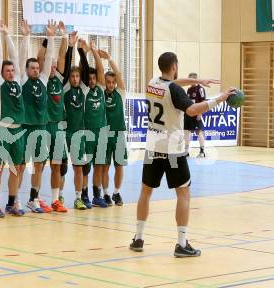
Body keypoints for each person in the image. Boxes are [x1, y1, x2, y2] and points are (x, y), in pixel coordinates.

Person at [129, 52, 236, 257]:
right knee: (183, 193)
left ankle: (138, 238)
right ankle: (181, 243)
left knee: (146, 191)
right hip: (173, 151)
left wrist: (197, 80)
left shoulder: (153, 83)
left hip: (152, 148)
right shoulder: (175, 91)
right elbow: (193, 110)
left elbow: (173, 84)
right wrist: (221, 97)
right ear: (175, 66)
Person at [36, 22, 75, 212]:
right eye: (49, 64)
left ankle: (55, 200)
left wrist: (64, 36)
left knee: (57, 166)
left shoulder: (59, 78)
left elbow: (62, 55)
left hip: (58, 128)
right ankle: (34, 198)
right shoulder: (41, 80)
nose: (52, 66)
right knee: (40, 164)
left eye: (54, 65)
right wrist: (47, 37)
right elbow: (40, 56)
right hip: (44, 126)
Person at [18, 20, 56, 213]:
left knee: (40, 165)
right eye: (31, 67)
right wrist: (26, 36)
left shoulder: (43, 79)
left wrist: (50, 38)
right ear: (26, 70)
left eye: (36, 67)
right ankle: (14, 199)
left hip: (41, 127)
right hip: (26, 128)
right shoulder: (23, 80)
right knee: (21, 165)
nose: (35, 69)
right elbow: (22, 56)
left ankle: (34, 198)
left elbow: (48, 59)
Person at [0, 19, 26, 218]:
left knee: (15, 169)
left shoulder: (18, 80)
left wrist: (8, 34)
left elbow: (14, 55)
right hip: (3, 129)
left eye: (12, 70)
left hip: (18, 130)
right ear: (2, 74)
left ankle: (12, 203)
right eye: (7, 71)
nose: (11, 72)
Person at [76, 39, 108, 209]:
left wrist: (94, 51)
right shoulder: (84, 90)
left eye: (94, 78)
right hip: (87, 133)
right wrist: (84, 52)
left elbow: (101, 69)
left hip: (101, 132)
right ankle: (84, 194)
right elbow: (82, 69)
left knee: (100, 166)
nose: (92, 80)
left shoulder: (101, 89)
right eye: (89, 78)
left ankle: (97, 195)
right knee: (86, 167)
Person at [98, 49, 128, 206]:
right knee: (104, 166)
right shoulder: (101, 93)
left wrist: (109, 58)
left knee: (119, 166)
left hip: (119, 134)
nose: (110, 85)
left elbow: (119, 73)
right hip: (104, 134)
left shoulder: (120, 93)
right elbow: (99, 75)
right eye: (108, 82)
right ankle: (106, 193)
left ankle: (116, 192)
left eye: (112, 82)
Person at [184, 72, 207, 158]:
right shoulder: (189, 90)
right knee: (186, 132)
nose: (189, 82)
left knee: (199, 132)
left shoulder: (200, 89)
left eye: (190, 80)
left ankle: (202, 152)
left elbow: (204, 102)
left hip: (197, 113)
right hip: (189, 114)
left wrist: (200, 113)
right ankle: (186, 152)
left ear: (195, 79)